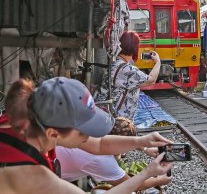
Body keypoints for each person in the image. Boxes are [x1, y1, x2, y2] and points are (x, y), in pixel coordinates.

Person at [0, 77, 173, 194]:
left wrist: (140, 141)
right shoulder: (31, 174)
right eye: (84, 131)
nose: (89, 136)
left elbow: (99, 145)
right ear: (53, 134)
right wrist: (146, 174)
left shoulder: (25, 118)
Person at [96, 31, 161, 119]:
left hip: (105, 114)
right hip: (117, 120)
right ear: (134, 48)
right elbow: (152, 80)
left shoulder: (114, 64)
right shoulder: (128, 70)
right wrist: (158, 62)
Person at [56, 147, 171, 189]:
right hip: (53, 176)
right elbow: (134, 185)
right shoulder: (103, 162)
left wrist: (145, 149)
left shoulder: (94, 136)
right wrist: (159, 180)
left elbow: (121, 141)